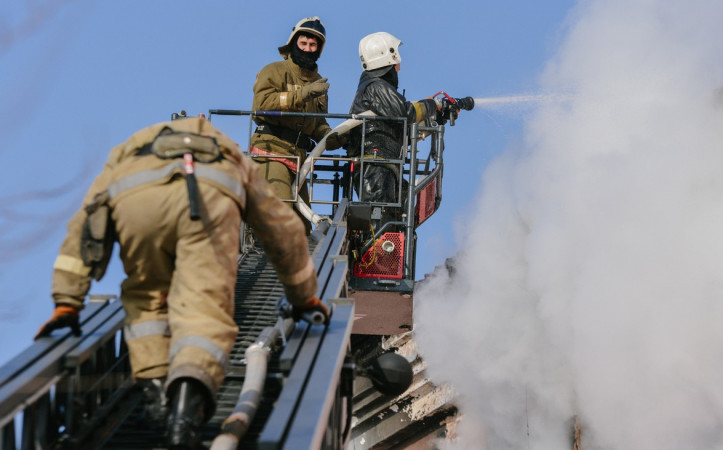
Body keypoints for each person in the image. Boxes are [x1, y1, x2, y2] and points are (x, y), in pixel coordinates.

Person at [34, 116, 328, 449]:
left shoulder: (130, 150)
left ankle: (158, 394)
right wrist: (303, 296)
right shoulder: (228, 153)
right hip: (207, 199)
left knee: (146, 300)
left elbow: (87, 223)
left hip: (137, 201)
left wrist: (67, 301)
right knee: (203, 308)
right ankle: (185, 411)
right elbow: (283, 231)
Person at [250, 16, 345, 233]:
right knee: (280, 214)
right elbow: (261, 105)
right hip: (271, 152)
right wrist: (302, 94)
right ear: (294, 43)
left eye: (313, 45)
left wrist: (331, 136)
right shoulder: (274, 71)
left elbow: (318, 122)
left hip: (299, 159)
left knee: (302, 228)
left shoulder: (317, 82)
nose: (308, 49)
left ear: (319, 49)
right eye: (303, 43)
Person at [345, 32, 453, 208]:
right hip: (376, 168)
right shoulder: (377, 87)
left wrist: (435, 119)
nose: (399, 68)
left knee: (402, 206)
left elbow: (400, 127)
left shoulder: (374, 88)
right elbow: (406, 113)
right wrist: (434, 104)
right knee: (379, 220)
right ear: (386, 60)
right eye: (396, 63)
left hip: (381, 166)